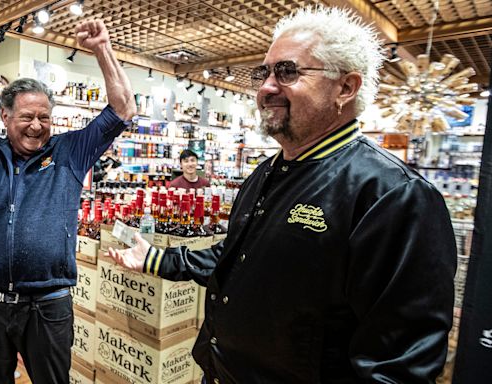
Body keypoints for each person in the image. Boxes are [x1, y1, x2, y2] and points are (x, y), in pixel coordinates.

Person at [109, 6, 456, 383]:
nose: (266, 87)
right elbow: (238, 259)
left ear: (345, 87)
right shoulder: (267, 173)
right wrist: (156, 258)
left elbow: (400, 364)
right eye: (265, 72)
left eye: (287, 71)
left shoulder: (393, 196)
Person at [0, 19, 135, 384]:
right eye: (26, 117)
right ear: (5, 117)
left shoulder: (70, 152)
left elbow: (123, 110)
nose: (37, 126)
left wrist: (103, 49)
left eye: (44, 117)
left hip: (49, 306)